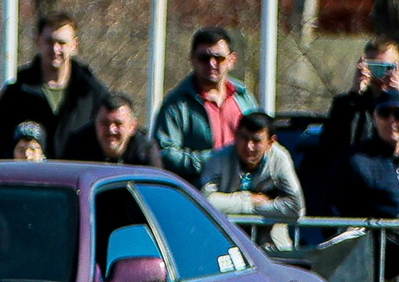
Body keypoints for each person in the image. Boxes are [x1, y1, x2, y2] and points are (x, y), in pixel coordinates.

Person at [0, 15, 112, 159]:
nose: (55, 49)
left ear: (74, 45)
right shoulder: (16, 93)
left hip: (77, 179)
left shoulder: (91, 93)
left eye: (61, 43)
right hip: (30, 179)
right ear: (38, 42)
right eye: (49, 41)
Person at [306, 40, 399, 215]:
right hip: (358, 185)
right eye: (374, 67)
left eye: (387, 67)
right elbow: (331, 144)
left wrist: (396, 95)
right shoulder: (348, 104)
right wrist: (355, 97)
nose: (381, 75)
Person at [153, 27, 251, 182]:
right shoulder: (177, 104)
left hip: (244, 189)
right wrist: (214, 160)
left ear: (232, 60)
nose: (212, 64)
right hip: (200, 193)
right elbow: (164, 153)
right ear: (192, 59)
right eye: (204, 58)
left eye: (219, 58)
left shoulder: (244, 98)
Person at [203, 111, 303, 249]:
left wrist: (253, 207)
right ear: (236, 135)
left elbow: (296, 207)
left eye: (256, 141)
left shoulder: (280, 158)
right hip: (227, 237)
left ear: (270, 142)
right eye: (244, 138)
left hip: (269, 241)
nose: (249, 146)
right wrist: (248, 201)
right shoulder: (218, 158)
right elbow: (206, 201)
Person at [338, 99, 399, 222]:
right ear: (374, 118)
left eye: (398, 114)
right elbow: (334, 210)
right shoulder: (356, 161)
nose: (392, 121)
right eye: (385, 113)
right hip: (376, 238)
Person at [69, 91, 160, 167]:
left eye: (118, 124)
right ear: (95, 123)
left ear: (132, 127)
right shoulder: (76, 147)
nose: (111, 130)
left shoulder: (145, 153)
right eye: (104, 123)